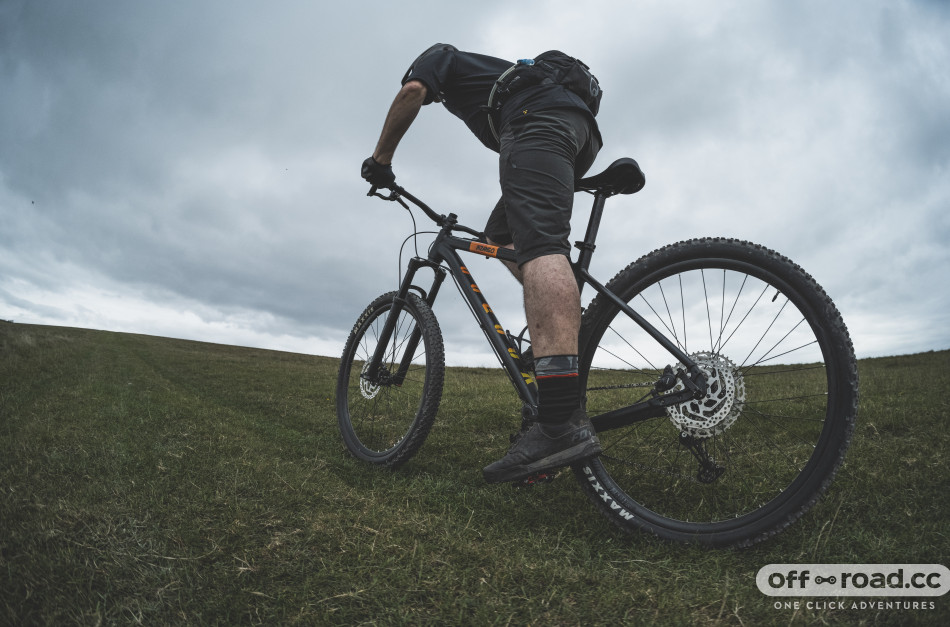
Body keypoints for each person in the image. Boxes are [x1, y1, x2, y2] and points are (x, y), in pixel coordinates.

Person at [361, 43, 603, 484]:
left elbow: (412, 92)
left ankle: (556, 427)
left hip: (537, 123)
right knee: (500, 237)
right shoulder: (504, 78)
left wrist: (381, 161)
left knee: (542, 246)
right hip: (579, 133)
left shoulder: (442, 57)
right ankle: (564, 326)